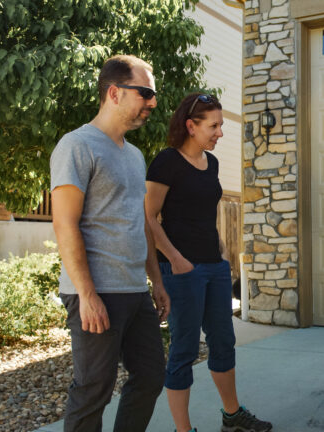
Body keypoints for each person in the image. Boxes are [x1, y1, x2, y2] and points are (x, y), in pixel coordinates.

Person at [50, 54, 170, 432]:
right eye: (145, 93)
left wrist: (157, 281)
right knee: (93, 389)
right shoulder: (77, 145)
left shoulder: (134, 156)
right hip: (97, 291)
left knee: (151, 376)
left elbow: (141, 224)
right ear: (114, 92)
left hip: (134, 289)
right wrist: (86, 294)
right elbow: (65, 224)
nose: (152, 103)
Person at [145, 93, 272, 432]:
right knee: (184, 350)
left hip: (214, 267)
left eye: (220, 125)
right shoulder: (166, 162)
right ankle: (183, 430)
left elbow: (204, 215)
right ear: (191, 126)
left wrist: (221, 254)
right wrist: (174, 259)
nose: (220, 133)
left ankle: (232, 416)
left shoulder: (211, 163)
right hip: (182, 271)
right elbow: (147, 216)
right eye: (213, 126)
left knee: (223, 342)